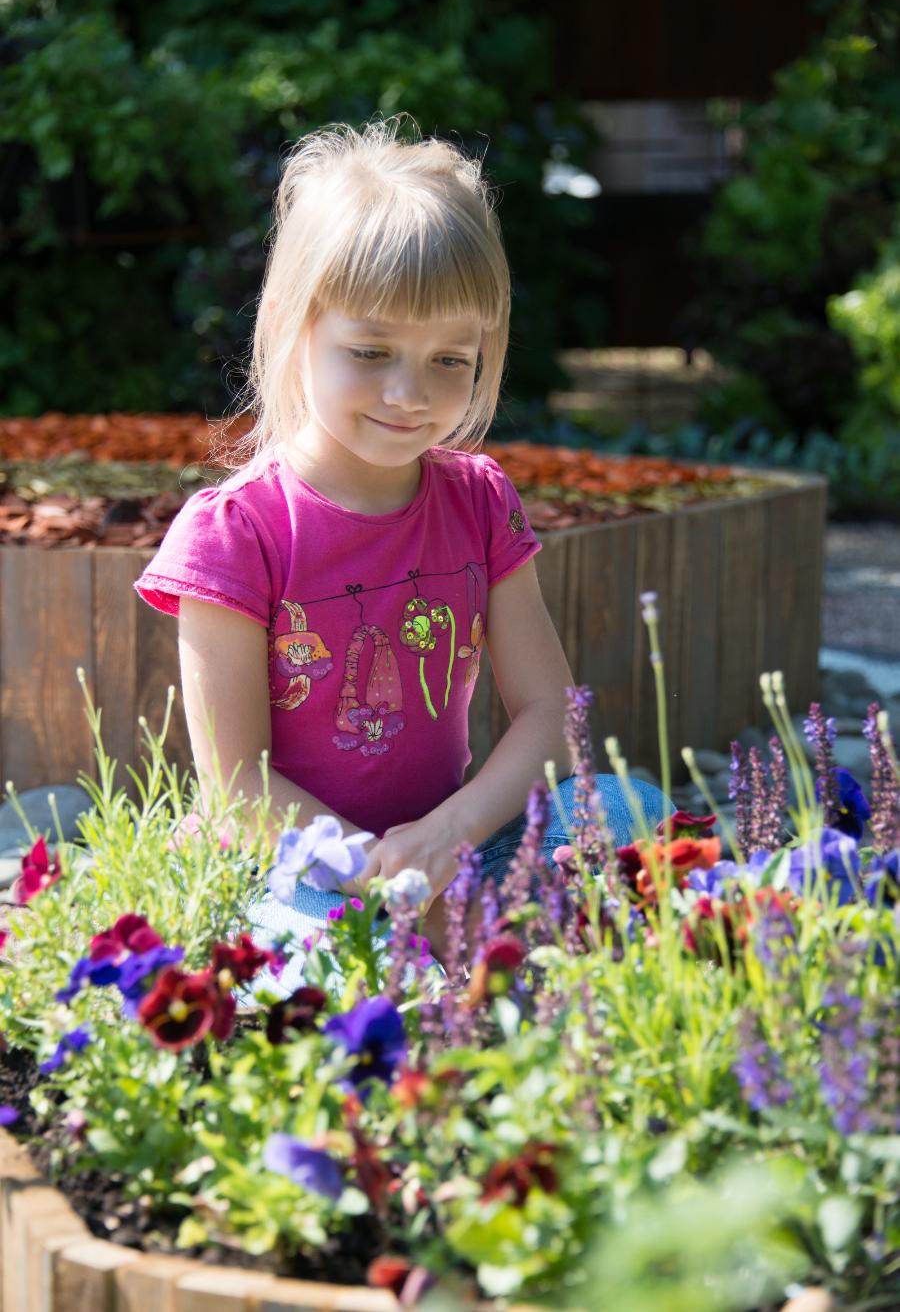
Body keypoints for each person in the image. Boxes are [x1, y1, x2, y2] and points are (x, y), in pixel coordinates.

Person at [135, 117, 668, 990]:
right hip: (299, 869)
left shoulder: (479, 500)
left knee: (631, 809)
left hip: (447, 845)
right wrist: (386, 875)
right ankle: (444, 959)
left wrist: (450, 837)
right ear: (292, 326)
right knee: (315, 962)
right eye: (371, 350)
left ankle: (458, 948)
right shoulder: (235, 533)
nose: (408, 393)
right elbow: (237, 788)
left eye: (449, 359)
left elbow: (549, 715)